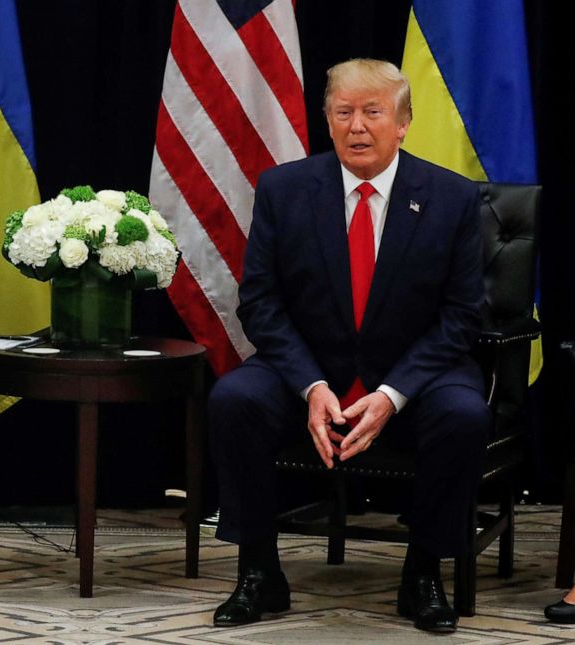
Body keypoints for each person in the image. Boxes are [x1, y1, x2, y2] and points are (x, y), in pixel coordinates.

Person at [207, 59, 489, 634]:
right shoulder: (283, 190)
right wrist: (310, 385)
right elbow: (260, 304)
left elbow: (462, 317)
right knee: (235, 399)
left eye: (373, 112)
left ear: (404, 122)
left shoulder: (452, 198)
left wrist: (392, 394)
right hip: (310, 372)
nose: (357, 126)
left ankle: (424, 573)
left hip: (415, 377)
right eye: (344, 113)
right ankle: (259, 570)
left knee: (463, 414)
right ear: (328, 121)